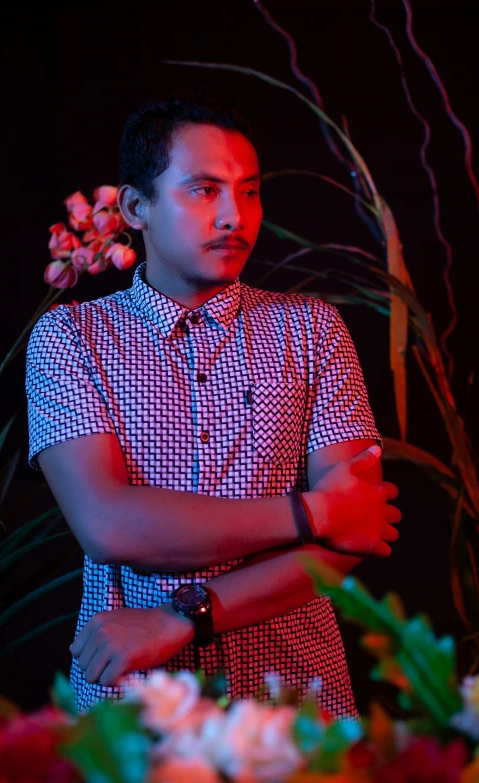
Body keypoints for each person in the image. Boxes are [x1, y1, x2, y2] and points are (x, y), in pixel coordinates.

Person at [26, 87, 401, 716]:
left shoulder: (312, 330)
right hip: (134, 705)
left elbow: (353, 535)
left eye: (249, 191)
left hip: (296, 701)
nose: (235, 216)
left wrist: (183, 619)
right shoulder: (71, 337)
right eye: (204, 190)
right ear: (136, 207)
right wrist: (314, 512)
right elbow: (110, 525)